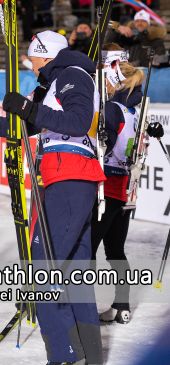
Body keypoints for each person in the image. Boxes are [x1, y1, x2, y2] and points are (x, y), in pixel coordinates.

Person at [0, 31, 105, 365]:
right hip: (67, 179)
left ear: (45, 54)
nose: (31, 66)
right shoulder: (51, 85)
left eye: (32, 59)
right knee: (73, 272)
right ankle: (89, 354)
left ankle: (63, 355)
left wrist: (29, 108)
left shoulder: (72, 75)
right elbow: (19, 127)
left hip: (69, 178)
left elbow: (78, 122)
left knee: (42, 271)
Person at [91, 43, 165, 324]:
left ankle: (81, 310)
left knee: (88, 248)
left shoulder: (113, 109)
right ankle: (121, 306)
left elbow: (104, 146)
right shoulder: (136, 109)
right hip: (125, 190)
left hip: (107, 187)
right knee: (115, 249)